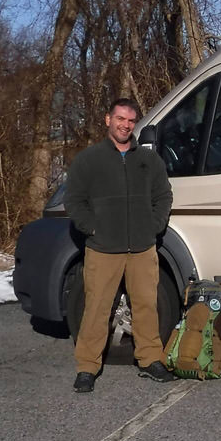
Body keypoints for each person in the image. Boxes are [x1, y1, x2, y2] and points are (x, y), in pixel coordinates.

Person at [65, 98, 177, 392]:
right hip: (102, 249)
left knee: (146, 307)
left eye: (130, 120)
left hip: (142, 248)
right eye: (120, 119)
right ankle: (87, 367)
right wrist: (92, 227)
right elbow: (74, 200)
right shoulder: (89, 160)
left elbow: (163, 196)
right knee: (96, 310)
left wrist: (152, 226)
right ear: (108, 120)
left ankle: (151, 359)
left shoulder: (149, 160)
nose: (125, 125)